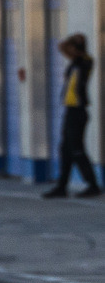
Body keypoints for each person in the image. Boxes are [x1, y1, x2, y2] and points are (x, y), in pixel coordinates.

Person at [44, 33, 102, 198]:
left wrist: (79, 43)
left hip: (78, 111)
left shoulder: (85, 62)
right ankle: (62, 186)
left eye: (73, 49)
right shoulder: (74, 63)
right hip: (70, 109)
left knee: (76, 149)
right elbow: (62, 47)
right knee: (65, 149)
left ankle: (92, 184)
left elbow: (80, 57)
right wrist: (71, 43)